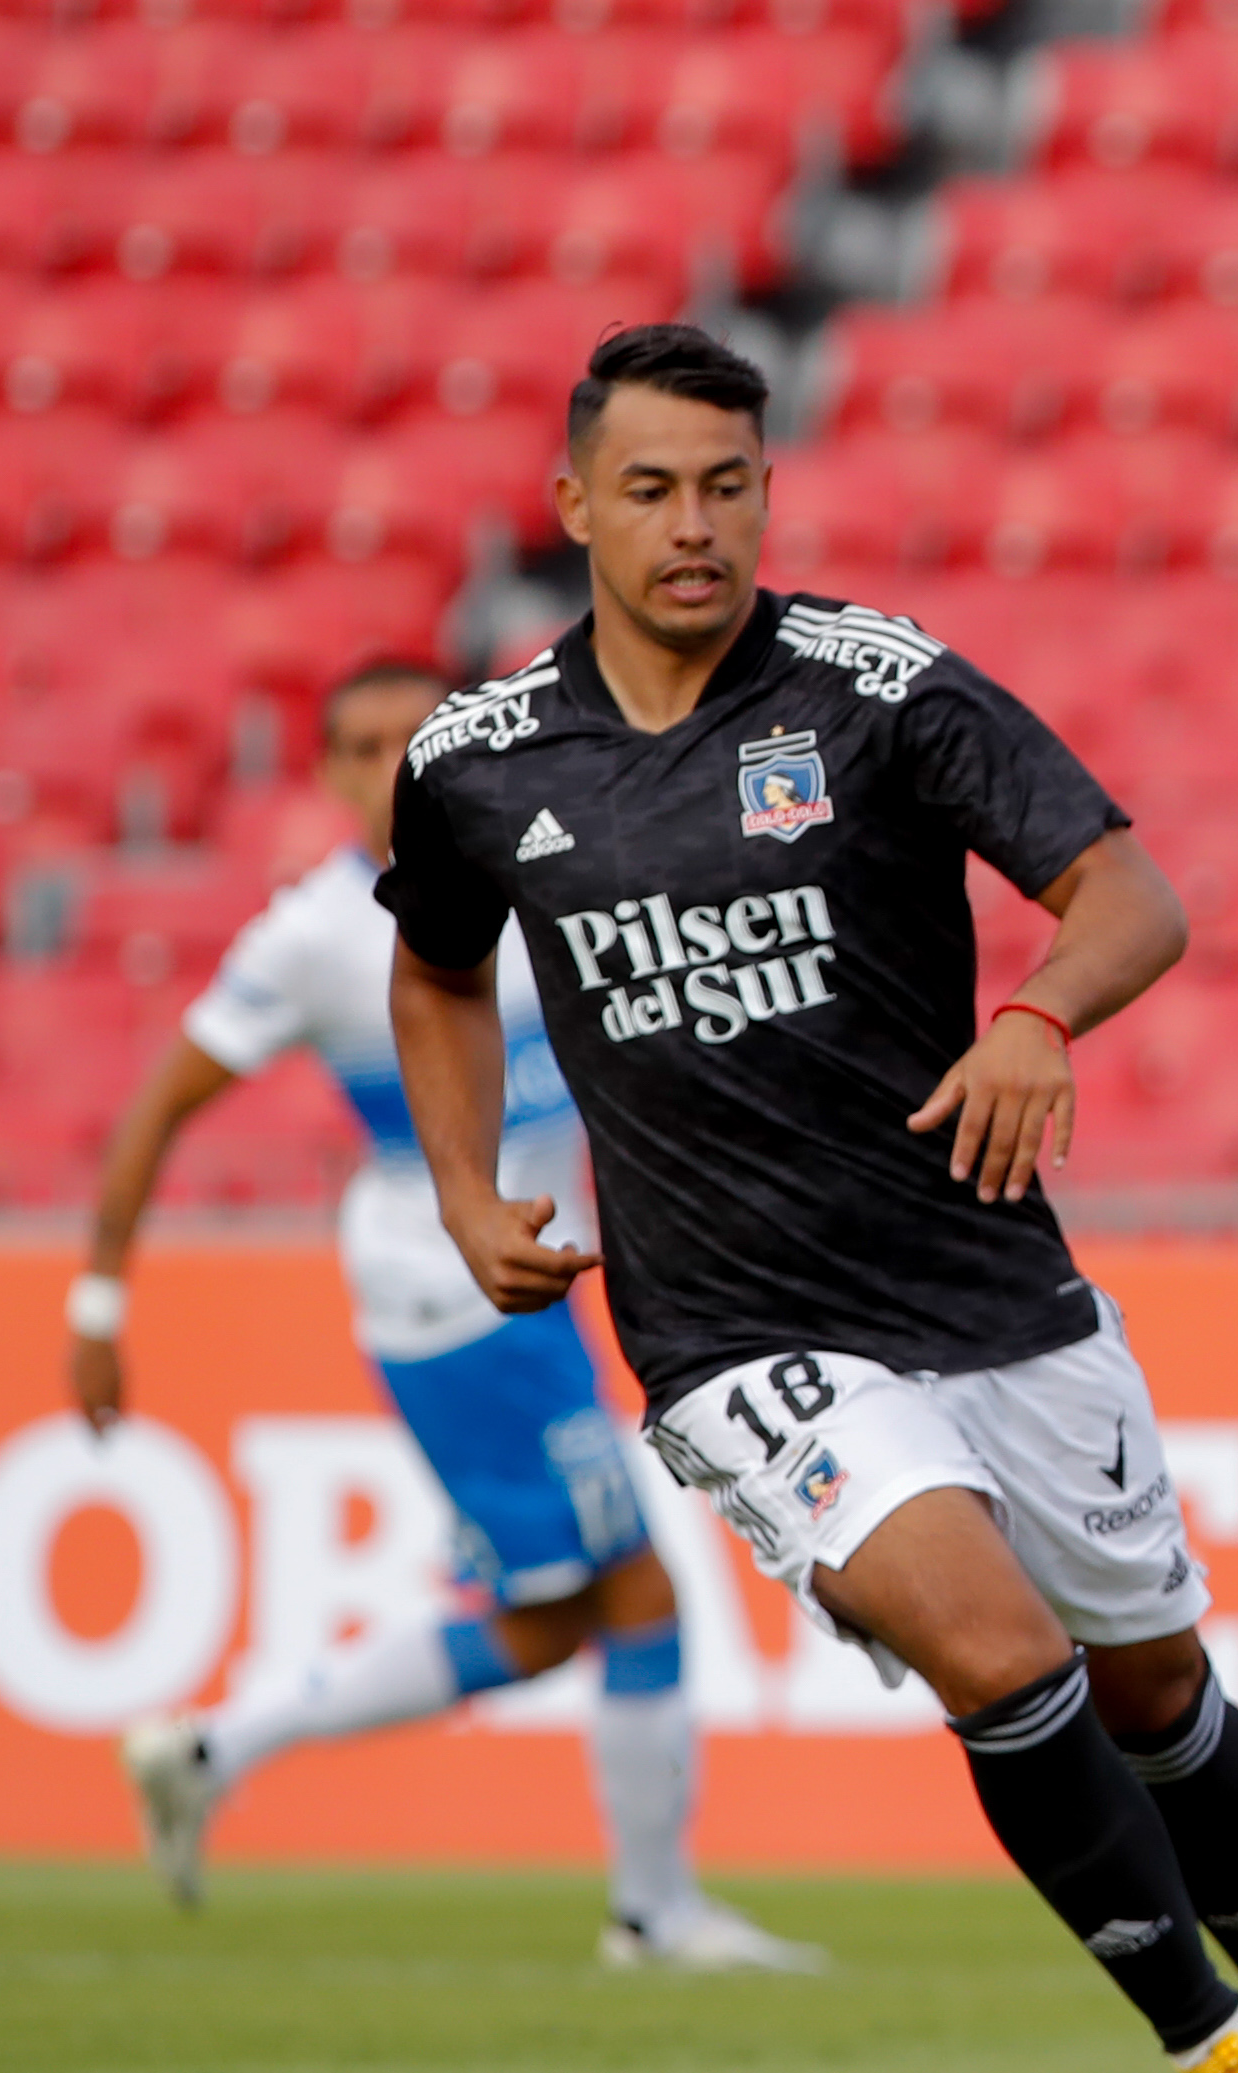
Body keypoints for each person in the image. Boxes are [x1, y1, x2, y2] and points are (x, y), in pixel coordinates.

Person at [374, 322, 1238, 2073]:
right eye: (653, 489)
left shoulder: (873, 687)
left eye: (728, 486)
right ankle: (1228, 2069)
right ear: (573, 507)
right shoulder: (477, 759)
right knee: (996, 1653)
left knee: (1156, 1683)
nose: (695, 527)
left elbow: (1131, 893)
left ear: (767, 488)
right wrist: (463, 1187)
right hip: (733, 1330)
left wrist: (1036, 1017)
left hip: (989, 1289)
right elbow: (437, 966)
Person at [92, 661, 816, 1973]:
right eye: (357, 745)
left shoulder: (528, 863)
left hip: (529, 1286)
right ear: (323, 772)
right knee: (640, 1595)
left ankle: (212, 1750)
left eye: (407, 738)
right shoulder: (316, 934)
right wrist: (98, 1299)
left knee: (551, 1622)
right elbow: (157, 1108)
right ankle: (653, 1915)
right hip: (451, 1295)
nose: (385, 765)